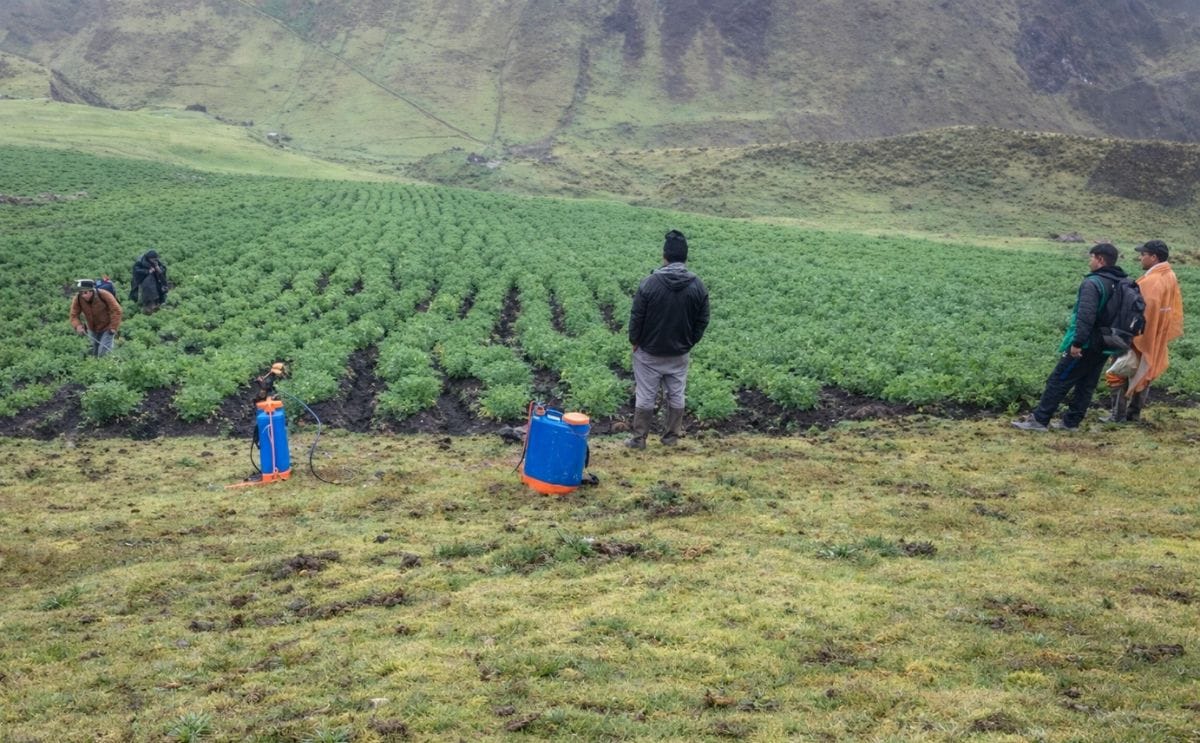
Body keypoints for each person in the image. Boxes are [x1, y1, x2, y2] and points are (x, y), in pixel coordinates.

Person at [1013, 243, 1128, 431]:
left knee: (1059, 379)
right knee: (1087, 383)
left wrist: (1077, 343)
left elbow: (1086, 316)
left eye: (1091, 257)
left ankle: (1040, 420)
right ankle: (1071, 422)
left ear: (1100, 259)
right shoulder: (1122, 282)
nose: (1089, 261)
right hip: (1107, 342)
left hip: (1087, 342)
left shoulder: (1093, 283)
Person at [625, 229, 710, 448]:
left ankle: (638, 439)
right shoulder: (697, 286)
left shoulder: (649, 283)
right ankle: (671, 437)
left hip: (648, 352)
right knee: (676, 394)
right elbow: (703, 320)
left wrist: (635, 341)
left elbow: (637, 317)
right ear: (685, 257)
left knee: (645, 395)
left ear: (664, 256)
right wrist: (690, 341)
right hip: (679, 353)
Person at [1105, 240, 1184, 422]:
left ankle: (1118, 416)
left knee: (1119, 370)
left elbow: (1138, 312)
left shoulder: (1152, 281)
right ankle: (1134, 414)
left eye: (1143, 254)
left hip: (1141, 336)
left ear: (1154, 257)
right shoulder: (1170, 275)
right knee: (1144, 372)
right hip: (1156, 335)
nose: (1140, 257)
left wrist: (1128, 336)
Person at [69, 279, 123, 357]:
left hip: (107, 327)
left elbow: (117, 310)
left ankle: (106, 367)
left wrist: (113, 327)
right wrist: (78, 326)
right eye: (81, 293)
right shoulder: (78, 299)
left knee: (104, 353)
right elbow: (74, 315)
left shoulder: (104, 295)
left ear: (91, 291)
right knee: (94, 351)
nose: (83, 295)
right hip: (92, 328)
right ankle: (95, 366)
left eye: (85, 293)